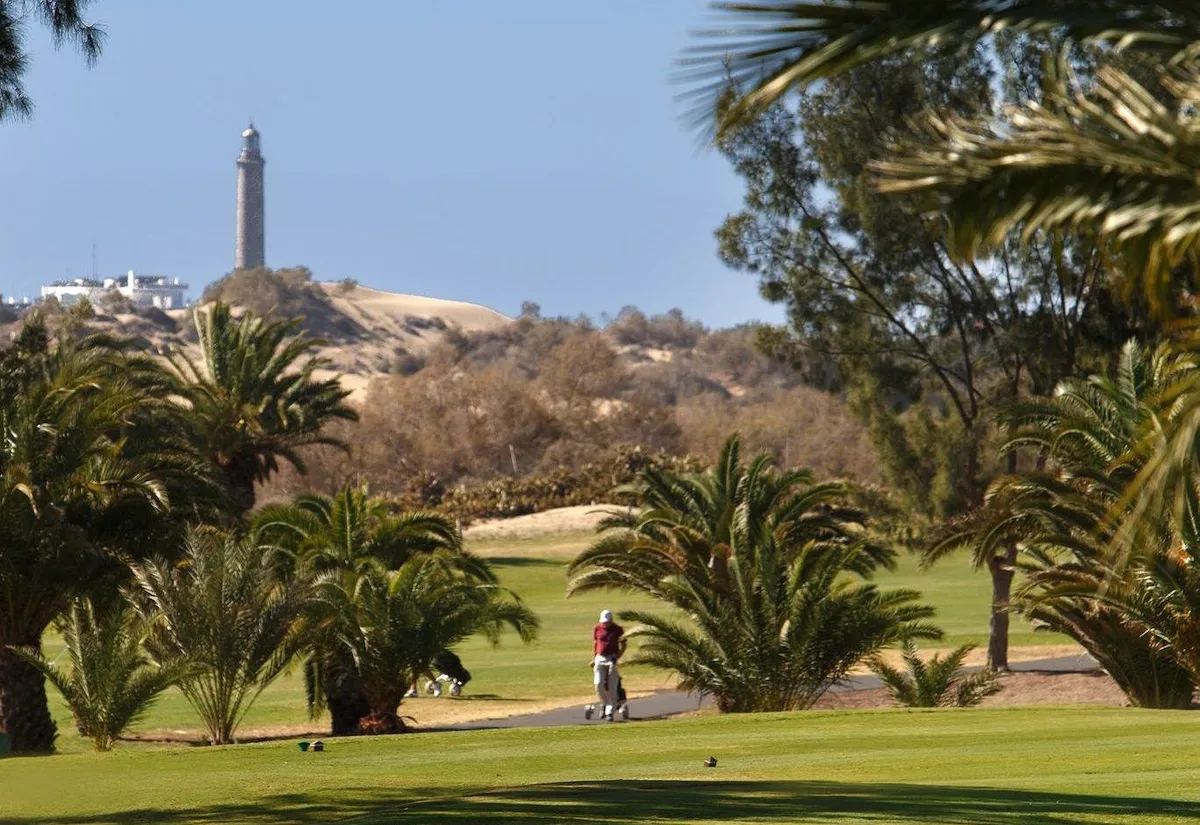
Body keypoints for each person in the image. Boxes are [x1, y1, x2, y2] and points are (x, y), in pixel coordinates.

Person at [589, 609, 626, 721]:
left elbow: (623, 644)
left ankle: (609, 712)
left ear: (611, 620)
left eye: (607, 622)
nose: (605, 624)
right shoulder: (597, 628)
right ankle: (604, 704)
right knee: (598, 684)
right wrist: (593, 658)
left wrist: (618, 656)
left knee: (612, 686)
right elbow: (595, 643)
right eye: (603, 622)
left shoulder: (618, 629)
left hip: (612, 658)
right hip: (599, 658)